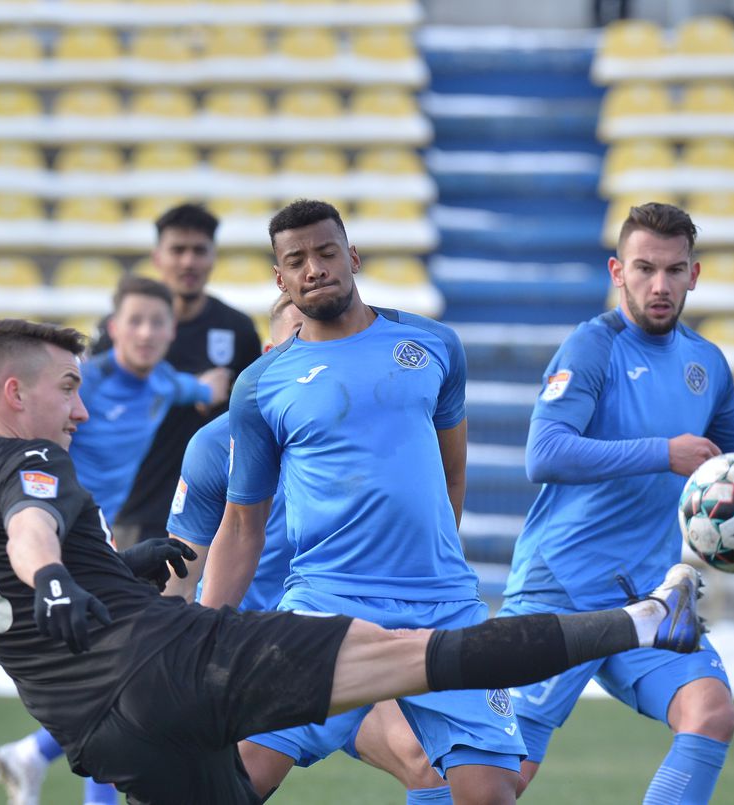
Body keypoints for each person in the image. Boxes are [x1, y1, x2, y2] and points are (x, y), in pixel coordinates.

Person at [0, 316, 705, 805]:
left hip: (97, 728)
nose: (81, 408)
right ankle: (647, 618)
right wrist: (58, 576)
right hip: (179, 663)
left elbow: (18, 575)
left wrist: (117, 566)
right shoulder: (25, 455)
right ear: (13, 391)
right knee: (432, 657)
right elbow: (35, 536)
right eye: (67, 387)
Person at [499, 201, 734, 804]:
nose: (659, 284)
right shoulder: (592, 348)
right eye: (645, 269)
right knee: (497, 780)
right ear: (617, 271)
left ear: (693, 275)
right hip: (560, 588)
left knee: (711, 712)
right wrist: (660, 453)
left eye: (674, 271)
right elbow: (544, 454)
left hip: (649, 597)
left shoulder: (706, 362)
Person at [197, 198, 526, 804]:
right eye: (296, 260)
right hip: (327, 601)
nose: (314, 268)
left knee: (489, 793)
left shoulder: (433, 346)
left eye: (326, 253)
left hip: (443, 604)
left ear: (352, 256)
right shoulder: (262, 385)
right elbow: (242, 528)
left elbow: (453, 476)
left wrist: (431, 569)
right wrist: (200, 632)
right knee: (239, 778)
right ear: (281, 279)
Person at [166, 293, 452, 802]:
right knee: (218, 788)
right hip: (260, 657)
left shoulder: (376, 440)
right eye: (306, 340)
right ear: (273, 354)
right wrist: (168, 654)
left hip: (350, 640)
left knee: (433, 765)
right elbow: (182, 567)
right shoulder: (215, 446)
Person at [0, 274, 229, 805]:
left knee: (115, 682)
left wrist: (224, 381)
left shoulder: (164, 382)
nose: (145, 332)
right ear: (114, 327)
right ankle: (33, 754)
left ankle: (31, 754)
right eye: (135, 321)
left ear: (171, 332)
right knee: (118, 683)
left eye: (157, 322)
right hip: (62, 539)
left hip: (104, 539)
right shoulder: (81, 382)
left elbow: (206, 389)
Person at [91, 203, 261, 550]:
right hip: (132, 510)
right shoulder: (120, 331)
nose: (188, 262)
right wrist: (195, 390)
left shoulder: (237, 329)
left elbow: (252, 419)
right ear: (157, 257)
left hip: (212, 511)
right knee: (129, 603)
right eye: (177, 250)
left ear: (213, 257)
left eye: (199, 251)